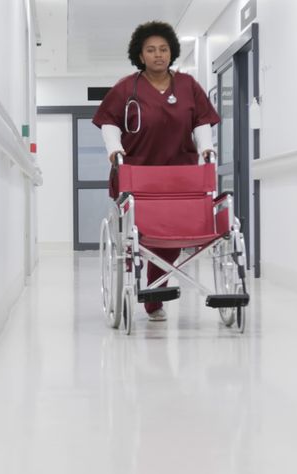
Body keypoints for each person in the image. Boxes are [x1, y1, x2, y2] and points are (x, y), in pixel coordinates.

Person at [92, 21, 220, 322]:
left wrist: (206, 147)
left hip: (179, 174)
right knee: (145, 233)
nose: (158, 55)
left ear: (172, 52)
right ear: (140, 54)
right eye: (151, 50)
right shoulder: (126, 87)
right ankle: (148, 286)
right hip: (139, 173)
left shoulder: (188, 86)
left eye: (163, 49)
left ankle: (154, 290)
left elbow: (202, 121)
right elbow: (109, 122)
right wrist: (114, 149)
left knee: (171, 237)